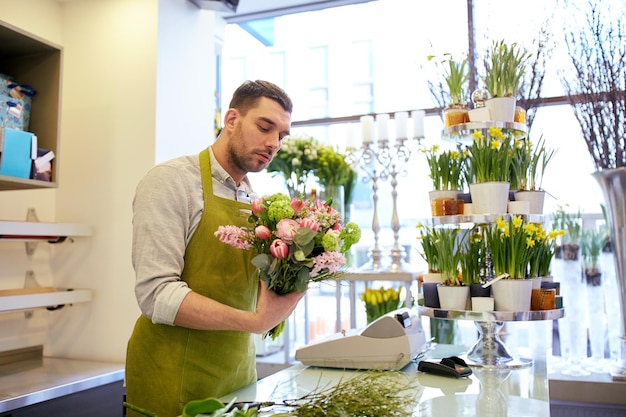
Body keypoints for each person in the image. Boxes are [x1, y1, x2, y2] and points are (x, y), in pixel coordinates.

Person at [125, 80, 305, 417]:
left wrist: (296, 273)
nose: (273, 144)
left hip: (238, 377)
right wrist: (254, 320)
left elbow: (245, 290)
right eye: (264, 127)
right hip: (171, 377)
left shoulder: (258, 204)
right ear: (232, 119)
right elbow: (156, 294)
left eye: (281, 136)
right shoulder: (171, 181)